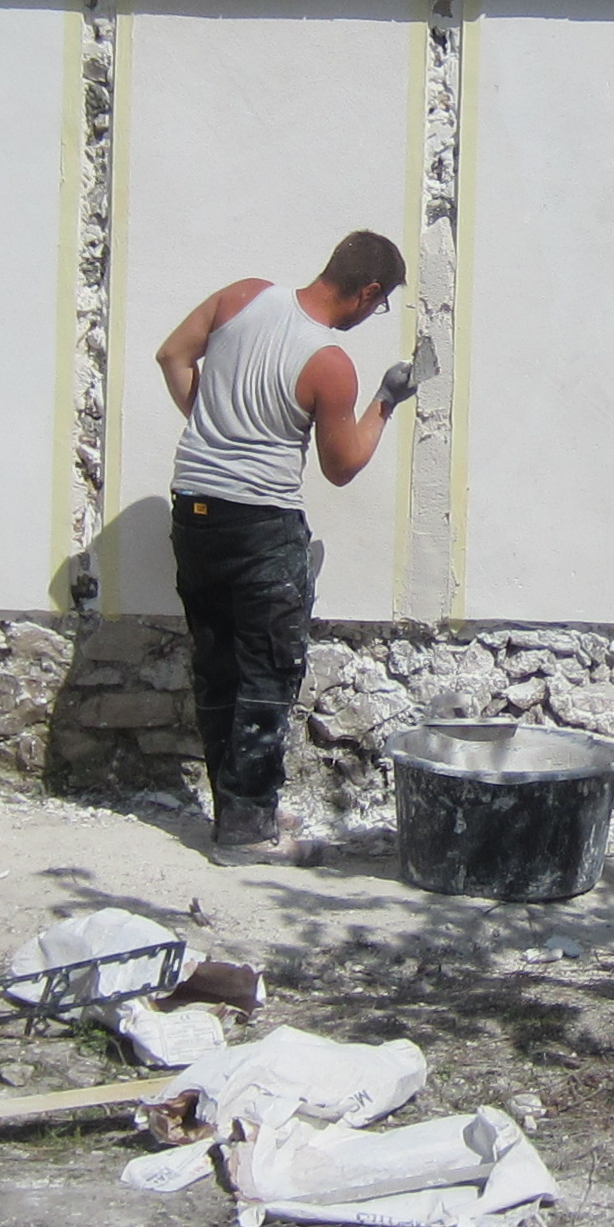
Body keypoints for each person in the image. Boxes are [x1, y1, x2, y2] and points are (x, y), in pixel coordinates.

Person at [154, 230, 413, 857]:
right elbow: (342, 464)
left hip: (194, 510)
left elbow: (171, 357)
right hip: (261, 524)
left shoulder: (242, 297)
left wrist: (215, 428)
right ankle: (247, 834)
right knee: (267, 669)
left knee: (217, 661)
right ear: (368, 291)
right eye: (378, 306)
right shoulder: (328, 363)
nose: (372, 315)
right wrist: (385, 400)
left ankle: (239, 811)